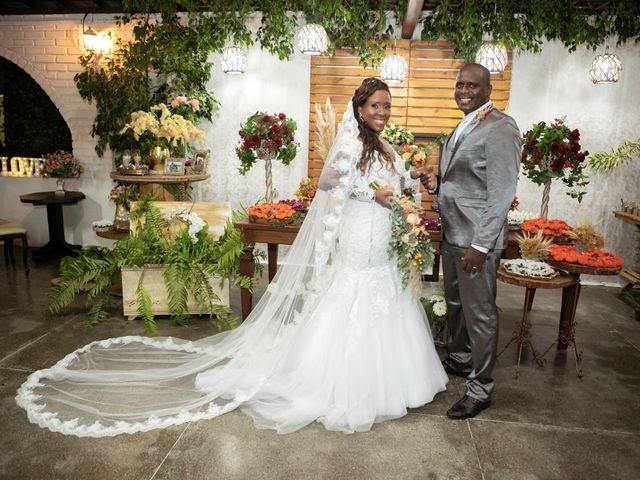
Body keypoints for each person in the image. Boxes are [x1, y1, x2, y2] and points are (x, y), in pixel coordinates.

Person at [16, 77, 448, 437]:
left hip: (381, 235)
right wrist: (370, 193)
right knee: (353, 290)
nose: (383, 111)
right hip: (360, 230)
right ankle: (343, 382)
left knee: (383, 292)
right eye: (376, 105)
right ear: (360, 108)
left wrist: (416, 176)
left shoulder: (385, 144)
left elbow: (396, 181)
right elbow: (331, 183)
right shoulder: (351, 144)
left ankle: (390, 380)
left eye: (387, 106)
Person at [421, 63, 521, 419]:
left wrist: (481, 245)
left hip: (477, 239)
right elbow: (466, 181)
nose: (463, 90)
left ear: (488, 89)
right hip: (453, 232)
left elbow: (500, 192)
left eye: (472, 85)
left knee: (479, 313)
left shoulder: (501, 128)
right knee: (456, 305)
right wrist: (436, 185)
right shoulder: (463, 124)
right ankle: (462, 360)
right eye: (460, 84)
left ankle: (481, 389)